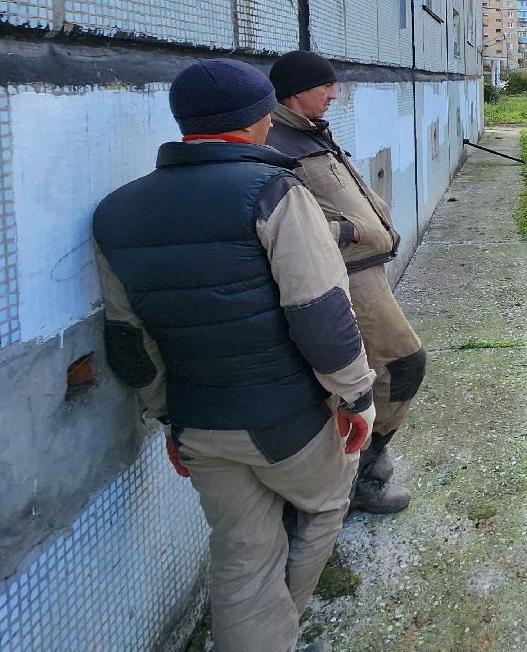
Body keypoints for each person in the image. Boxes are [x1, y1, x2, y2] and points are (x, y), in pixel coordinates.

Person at [94, 59, 374, 652]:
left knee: (240, 553)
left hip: (198, 424)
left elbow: (129, 342)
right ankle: (284, 626)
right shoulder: (276, 192)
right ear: (256, 122)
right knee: (326, 503)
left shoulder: (114, 212)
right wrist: (356, 396)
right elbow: (322, 314)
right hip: (287, 419)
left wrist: (169, 418)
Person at [267, 50, 425, 514]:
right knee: (403, 362)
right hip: (344, 274)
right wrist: (349, 231)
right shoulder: (276, 143)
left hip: (363, 267)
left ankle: (362, 465)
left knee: (365, 375)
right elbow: (279, 218)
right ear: (296, 91)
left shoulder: (308, 133)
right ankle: (361, 472)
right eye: (326, 86)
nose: (335, 94)